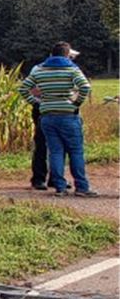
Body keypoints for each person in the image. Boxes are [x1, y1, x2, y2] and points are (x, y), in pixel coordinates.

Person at [18, 42, 97, 197]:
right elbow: (85, 87)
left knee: (55, 151)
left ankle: (60, 187)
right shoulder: (71, 69)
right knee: (75, 151)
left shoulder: (39, 69)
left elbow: (23, 88)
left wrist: (37, 102)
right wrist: (76, 103)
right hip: (68, 114)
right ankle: (81, 187)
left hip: (47, 114)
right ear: (67, 55)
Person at [27, 48, 81, 190]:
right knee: (41, 143)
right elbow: (32, 89)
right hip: (45, 108)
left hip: (59, 108)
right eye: (69, 56)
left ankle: (56, 179)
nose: (70, 59)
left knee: (58, 146)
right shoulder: (39, 69)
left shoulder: (71, 68)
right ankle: (38, 178)